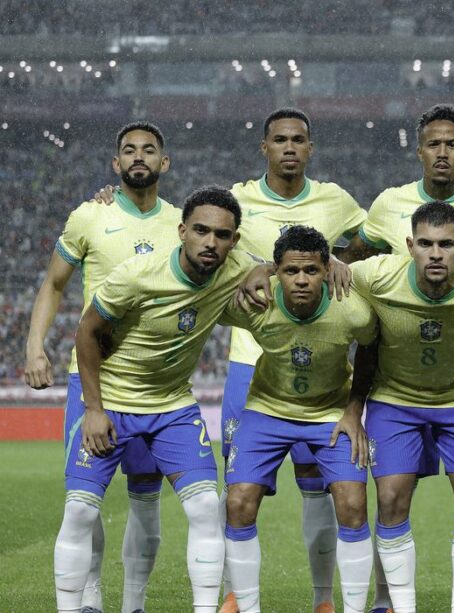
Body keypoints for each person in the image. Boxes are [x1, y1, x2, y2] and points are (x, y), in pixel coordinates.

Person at [92, 108, 364, 613]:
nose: (288, 147)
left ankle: (324, 600)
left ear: (310, 148)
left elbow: (375, 240)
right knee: (237, 493)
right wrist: (113, 199)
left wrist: (341, 261)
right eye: (278, 139)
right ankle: (234, 595)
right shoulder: (238, 199)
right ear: (264, 147)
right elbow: (185, 223)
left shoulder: (337, 200)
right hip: (249, 363)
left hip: (314, 363)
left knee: (318, 489)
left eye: (298, 140)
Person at [342, 104, 454, 613]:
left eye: (452, 144)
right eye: (433, 144)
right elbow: (348, 257)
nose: (442, 152)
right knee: (391, 496)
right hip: (397, 375)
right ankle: (389, 601)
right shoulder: (389, 206)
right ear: (419, 150)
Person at [54, 185, 254, 613]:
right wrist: (94, 409)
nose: (210, 242)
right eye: (201, 231)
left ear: (234, 241)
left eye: (222, 235)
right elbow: (87, 331)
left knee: (205, 505)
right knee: (80, 511)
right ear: (182, 231)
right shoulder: (137, 274)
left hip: (172, 407)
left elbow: (285, 266)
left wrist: (277, 267)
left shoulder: (237, 268)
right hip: (113, 400)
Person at [27, 122, 178, 613]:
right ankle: (89, 594)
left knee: (146, 500)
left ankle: (134, 604)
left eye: (149, 150)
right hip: (92, 378)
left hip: (153, 383)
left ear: (164, 162)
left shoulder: (183, 225)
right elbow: (53, 284)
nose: (139, 157)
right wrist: (34, 346)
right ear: (116, 164)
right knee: (84, 500)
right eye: (129, 150)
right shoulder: (90, 215)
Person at [219, 226, 378, 613]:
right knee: (238, 502)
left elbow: (372, 347)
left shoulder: (352, 309)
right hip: (267, 409)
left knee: (353, 504)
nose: (302, 280)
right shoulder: (255, 302)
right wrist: (254, 271)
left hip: (330, 413)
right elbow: (206, 290)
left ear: (327, 269)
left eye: (311, 270)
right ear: (277, 271)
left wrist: (354, 409)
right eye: (291, 271)